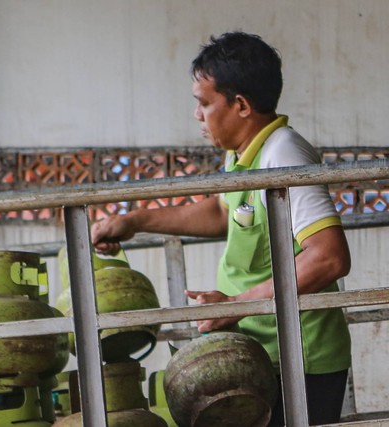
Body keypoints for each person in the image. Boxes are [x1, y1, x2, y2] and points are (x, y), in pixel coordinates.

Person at [90, 31, 351, 426]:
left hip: (298, 358)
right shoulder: (245, 152)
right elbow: (221, 212)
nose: (197, 114)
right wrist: (135, 221)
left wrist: (236, 305)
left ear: (241, 105)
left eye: (204, 103)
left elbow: (329, 257)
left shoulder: (284, 154)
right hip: (259, 349)